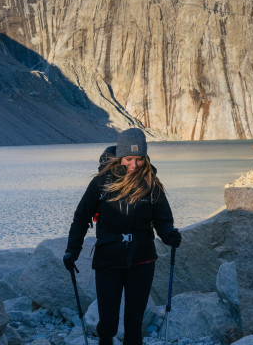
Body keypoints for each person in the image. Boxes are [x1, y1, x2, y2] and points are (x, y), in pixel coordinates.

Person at [63, 128, 182, 345]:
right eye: (129, 159)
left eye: (139, 159)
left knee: (134, 324)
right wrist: (72, 250)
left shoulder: (151, 184)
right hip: (108, 260)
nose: (134, 165)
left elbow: (163, 220)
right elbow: (81, 217)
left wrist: (169, 235)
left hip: (143, 259)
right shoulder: (101, 183)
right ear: (120, 157)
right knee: (108, 323)